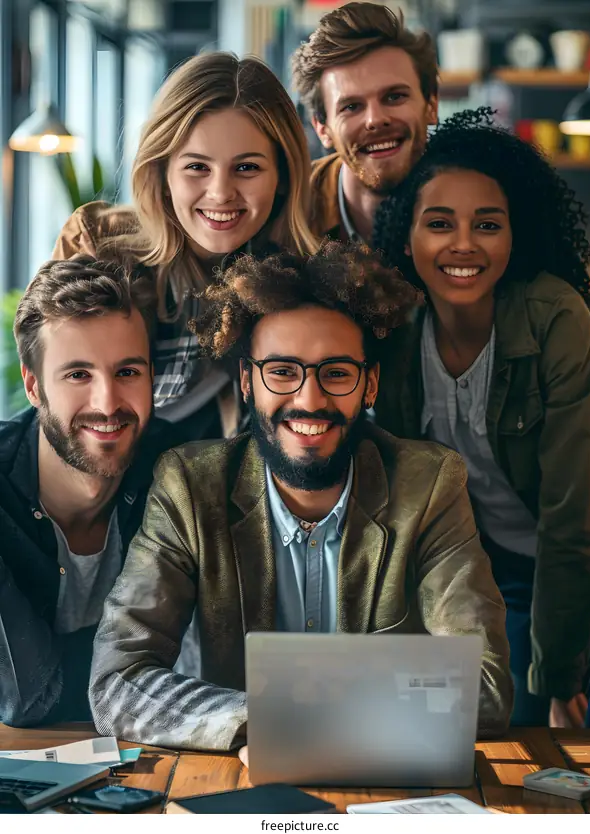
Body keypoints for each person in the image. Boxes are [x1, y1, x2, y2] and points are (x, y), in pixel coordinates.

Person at [89, 241, 512, 752]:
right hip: (238, 782)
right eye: (283, 372)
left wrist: (296, 721)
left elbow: (485, 690)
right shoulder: (188, 486)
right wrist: (263, 721)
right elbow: (116, 684)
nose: (310, 400)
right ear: (247, 382)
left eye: (336, 373)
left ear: (369, 385)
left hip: (387, 789)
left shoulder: (429, 486)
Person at [373, 107, 590, 728]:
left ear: (514, 234)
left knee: (564, 741)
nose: (464, 244)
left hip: (577, 566)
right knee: (484, 734)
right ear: (407, 235)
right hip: (492, 571)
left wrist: (560, 676)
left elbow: (573, 516)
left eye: (488, 224)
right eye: (439, 223)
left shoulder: (555, 318)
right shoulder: (394, 331)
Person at [53, 52, 318, 443]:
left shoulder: (292, 274)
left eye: (247, 168)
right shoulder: (98, 248)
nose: (221, 193)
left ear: (282, 176)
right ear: (162, 172)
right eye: (197, 167)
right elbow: (56, 397)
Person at [0, 258, 173, 726]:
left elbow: (201, 667)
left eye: (128, 372)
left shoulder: (178, 475)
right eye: (78, 375)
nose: (107, 403)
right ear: (33, 386)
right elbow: (26, 697)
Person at [291, 2, 438, 244]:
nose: (376, 120)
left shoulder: (481, 198)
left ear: (431, 105)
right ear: (322, 128)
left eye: (394, 96)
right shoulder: (286, 216)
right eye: (351, 107)